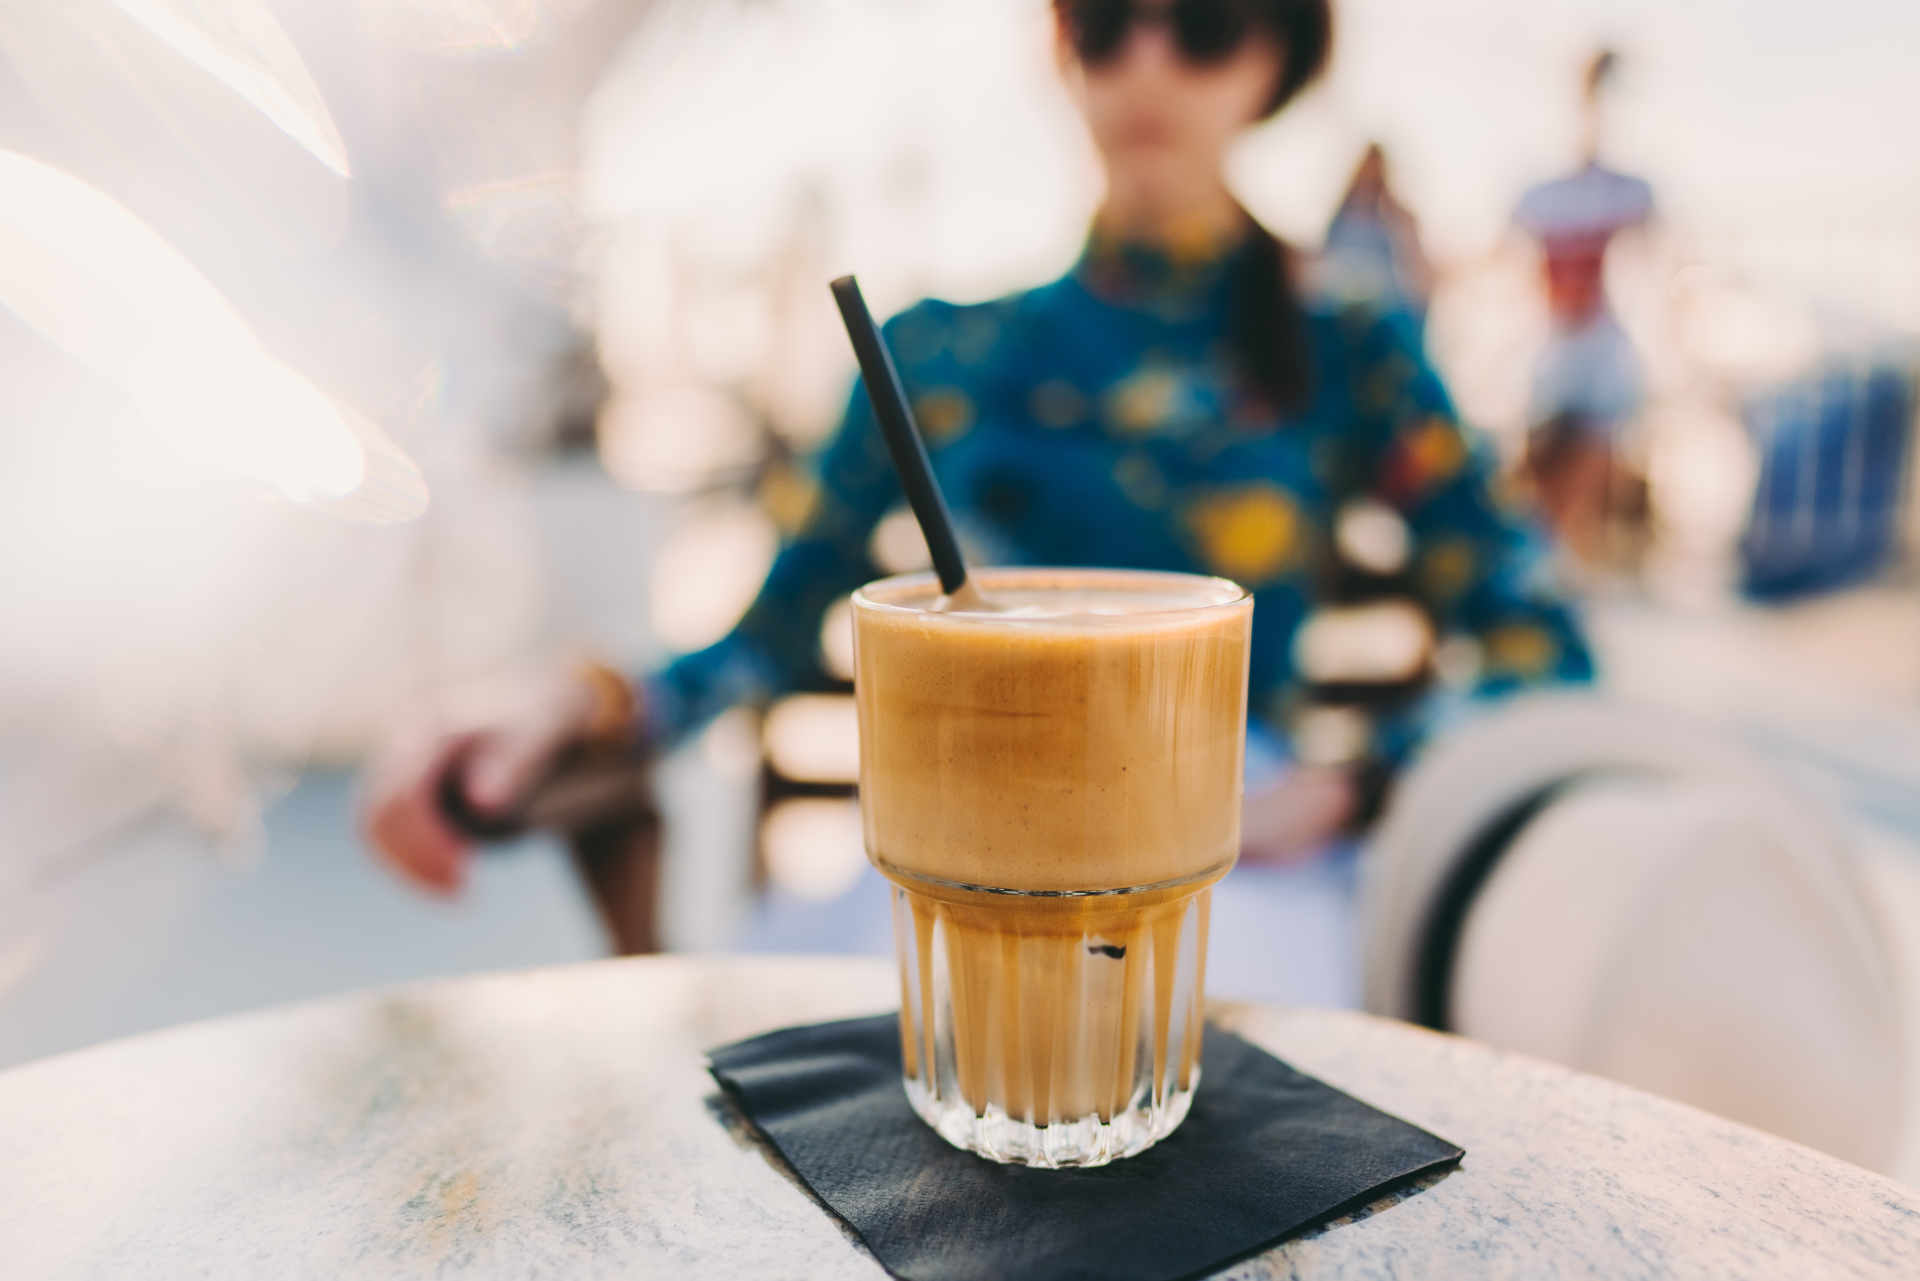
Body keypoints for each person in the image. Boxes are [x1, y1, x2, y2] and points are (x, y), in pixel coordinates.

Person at [364, 0, 1593, 898]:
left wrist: (1345, 788)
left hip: (1227, 859)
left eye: (1205, 24)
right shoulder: (938, 353)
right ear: (1063, 51)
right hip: (958, 850)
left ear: (1273, 59)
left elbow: (1544, 643)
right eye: (1107, 23)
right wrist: (563, 701)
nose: (1148, 66)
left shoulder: (1350, 343)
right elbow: (762, 642)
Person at [1513, 48, 1654, 563]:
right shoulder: (1543, 194)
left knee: (1593, 450)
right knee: (1547, 457)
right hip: (1557, 347)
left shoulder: (1624, 191)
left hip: (1596, 345)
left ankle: (1575, 558)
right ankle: (1557, 556)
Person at [1321, 141, 1434, 328]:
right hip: (1345, 307)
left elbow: (1416, 269)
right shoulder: (1340, 218)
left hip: (1389, 311)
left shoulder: (1396, 217)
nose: (1370, 175)